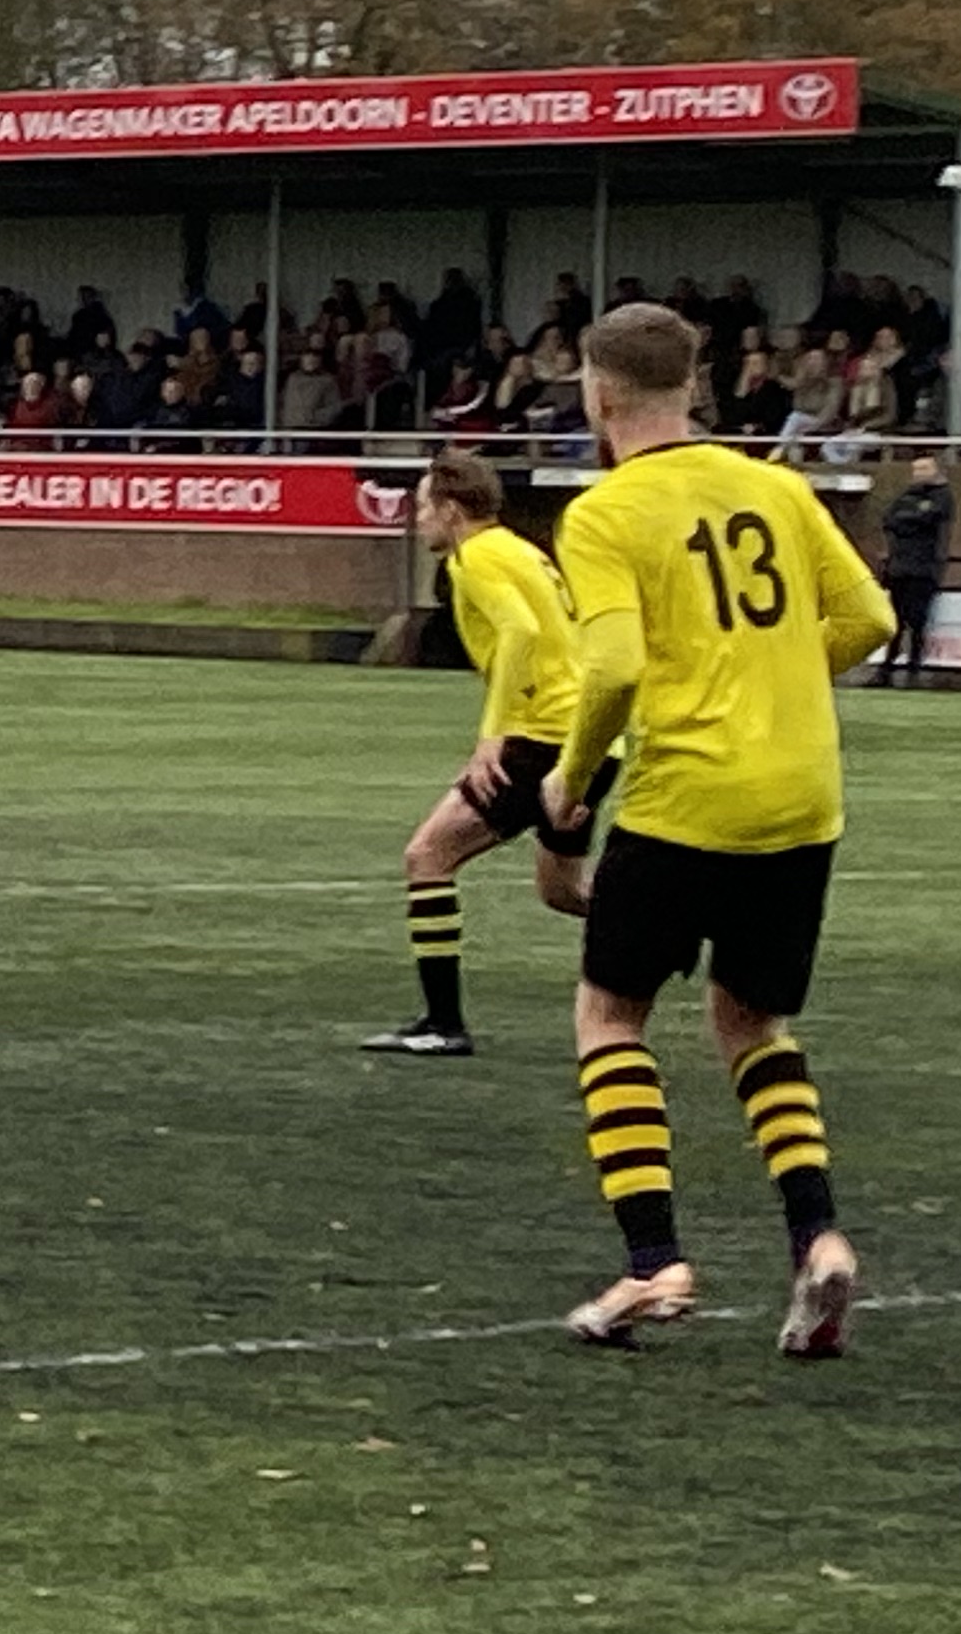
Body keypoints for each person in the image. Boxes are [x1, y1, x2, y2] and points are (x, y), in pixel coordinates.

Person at [539, 305, 894, 1353]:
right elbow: (870, 619)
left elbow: (609, 668)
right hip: (800, 796)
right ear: (692, 386)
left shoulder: (606, 513)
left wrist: (569, 784)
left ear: (599, 396)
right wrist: (774, 676)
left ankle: (655, 1264)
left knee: (610, 1016)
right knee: (753, 1026)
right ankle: (818, 1242)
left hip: (687, 793)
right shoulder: (778, 487)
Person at [363, 454, 602, 1058]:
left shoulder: (477, 558)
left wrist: (493, 736)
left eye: (423, 506)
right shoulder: (522, 549)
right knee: (564, 893)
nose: (419, 520)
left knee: (427, 855)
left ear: (451, 509)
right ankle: (672, 926)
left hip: (540, 737)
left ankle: (444, 1024)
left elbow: (520, 632)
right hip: (587, 736)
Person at [872, 451, 951, 684]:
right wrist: (912, 519)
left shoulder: (943, 496)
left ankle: (913, 671)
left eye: (924, 469)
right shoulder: (906, 495)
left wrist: (907, 521)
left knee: (918, 622)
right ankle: (885, 670)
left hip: (924, 569)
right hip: (899, 567)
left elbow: (927, 518)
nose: (918, 474)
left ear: (936, 470)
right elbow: (889, 520)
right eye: (916, 469)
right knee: (894, 621)